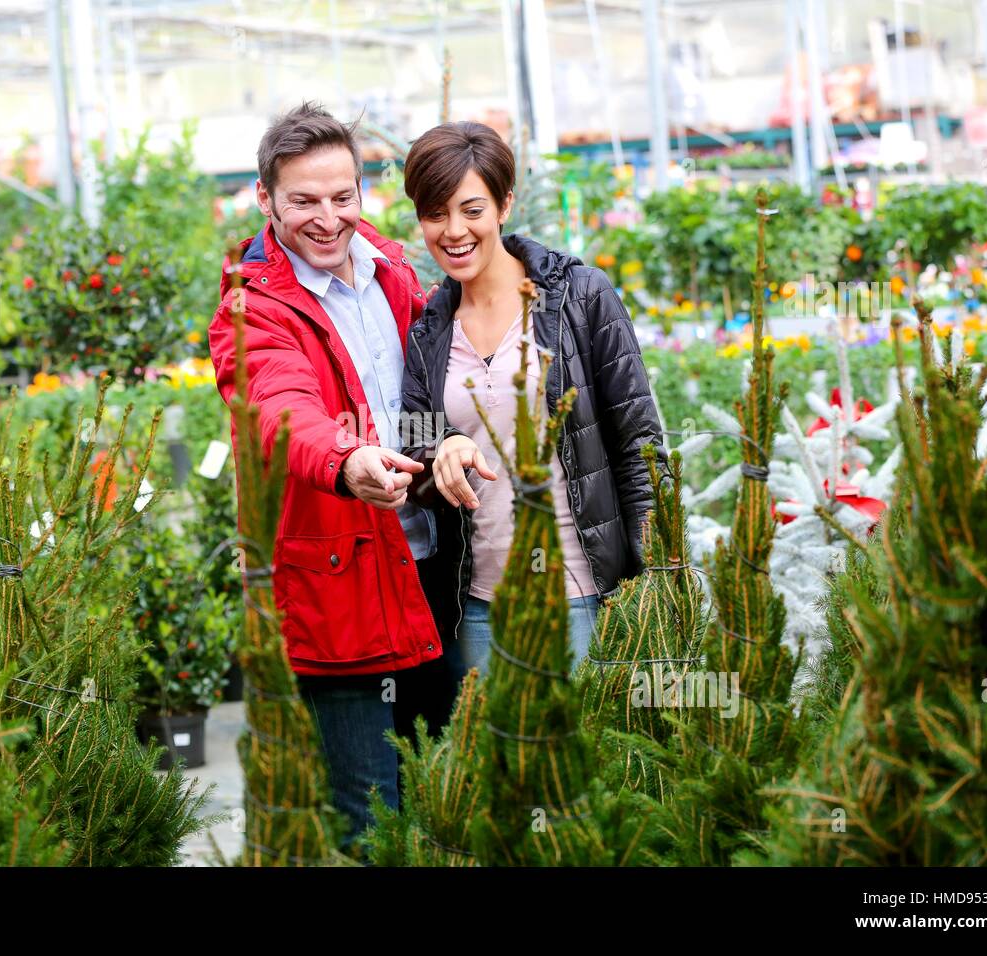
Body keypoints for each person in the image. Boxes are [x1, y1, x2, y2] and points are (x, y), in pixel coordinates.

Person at [207, 102, 455, 849]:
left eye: (342, 197)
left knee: (443, 790)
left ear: (361, 191)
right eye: (304, 202)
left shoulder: (394, 274)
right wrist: (347, 464)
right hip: (340, 587)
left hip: (430, 568)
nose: (326, 218)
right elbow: (279, 409)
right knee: (369, 814)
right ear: (266, 200)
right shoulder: (254, 312)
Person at [398, 121, 664, 691]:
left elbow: (641, 449)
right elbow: (413, 462)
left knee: (589, 771)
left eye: (471, 209)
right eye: (434, 214)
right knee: (498, 775)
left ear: (504, 205)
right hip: (479, 610)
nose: (453, 231)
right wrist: (439, 450)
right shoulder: (428, 332)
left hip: (583, 598)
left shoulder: (582, 298)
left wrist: (657, 583)